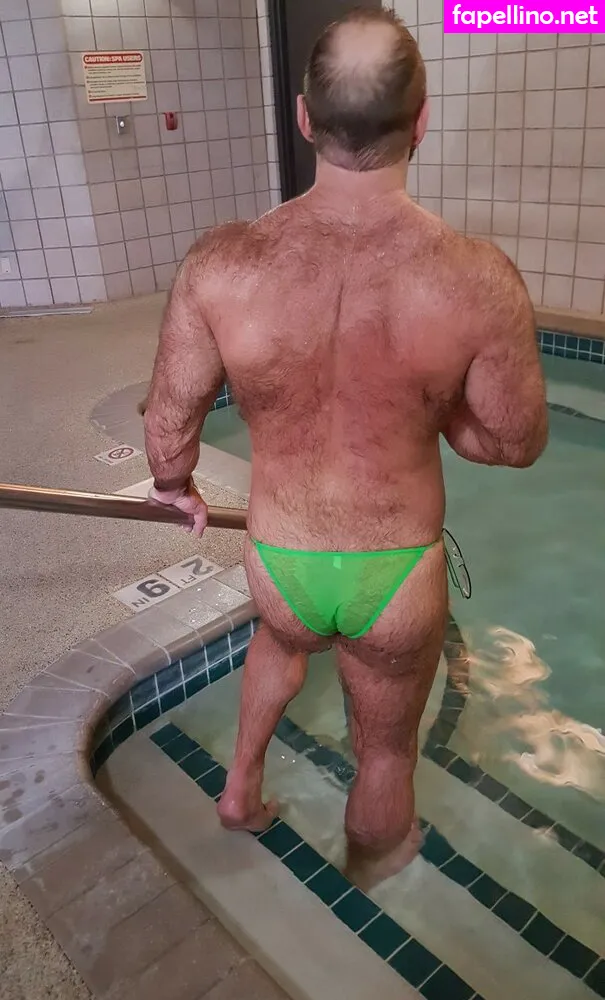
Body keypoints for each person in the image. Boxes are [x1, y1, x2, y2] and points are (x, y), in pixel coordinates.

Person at [143, 8, 548, 889]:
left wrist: (176, 486)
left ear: (303, 117)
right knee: (386, 752)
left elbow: (169, 428)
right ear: (421, 120)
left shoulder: (223, 263)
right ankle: (374, 867)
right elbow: (516, 442)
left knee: (279, 640)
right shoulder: (476, 277)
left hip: (280, 559)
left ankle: (238, 791)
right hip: (392, 573)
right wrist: (430, 412)